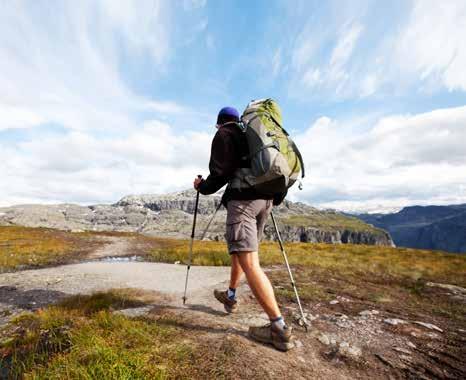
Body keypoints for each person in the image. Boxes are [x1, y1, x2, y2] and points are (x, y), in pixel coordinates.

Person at [193, 106, 294, 351]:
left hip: (244, 203)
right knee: (245, 254)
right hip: (265, 201)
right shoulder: (253, 134)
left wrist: (202, 186)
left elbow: (221, 172)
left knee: (250, 263)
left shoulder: (225, 134)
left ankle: (278, 328)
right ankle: (230, 296)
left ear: (219, 124)